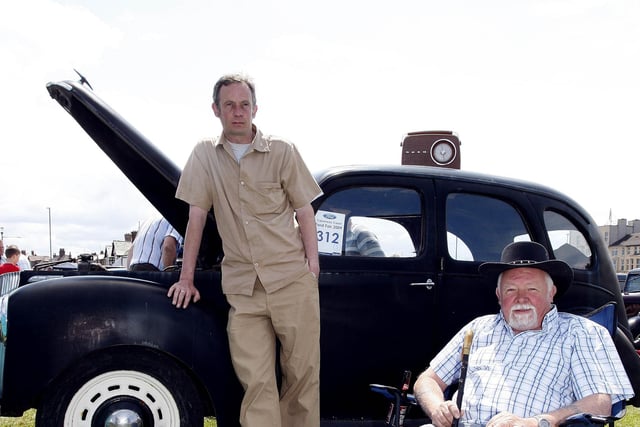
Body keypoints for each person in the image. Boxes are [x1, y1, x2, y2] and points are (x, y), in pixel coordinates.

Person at [168, 74, 321, 427]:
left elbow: (304, 210)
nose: (238, 112)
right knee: (256, 382)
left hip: (291, 282)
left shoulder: (282, 150)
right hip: (243, 289)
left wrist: (311, 265)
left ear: (255, 108)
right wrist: (186, 278)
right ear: (216, 110)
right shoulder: (204, 155)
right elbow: (196, 217)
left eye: (244, 105)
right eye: (229, 105)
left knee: (302, 377)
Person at [414, 241, 634, 427]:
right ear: (499, 295)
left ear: (551, 293)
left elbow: (600, 402)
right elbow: (427, 380)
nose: (521, 298)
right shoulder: (478, 328)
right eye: (511, 290)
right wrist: (437, 408)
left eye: (532, 289)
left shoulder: (581, 333)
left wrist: (537, 422)